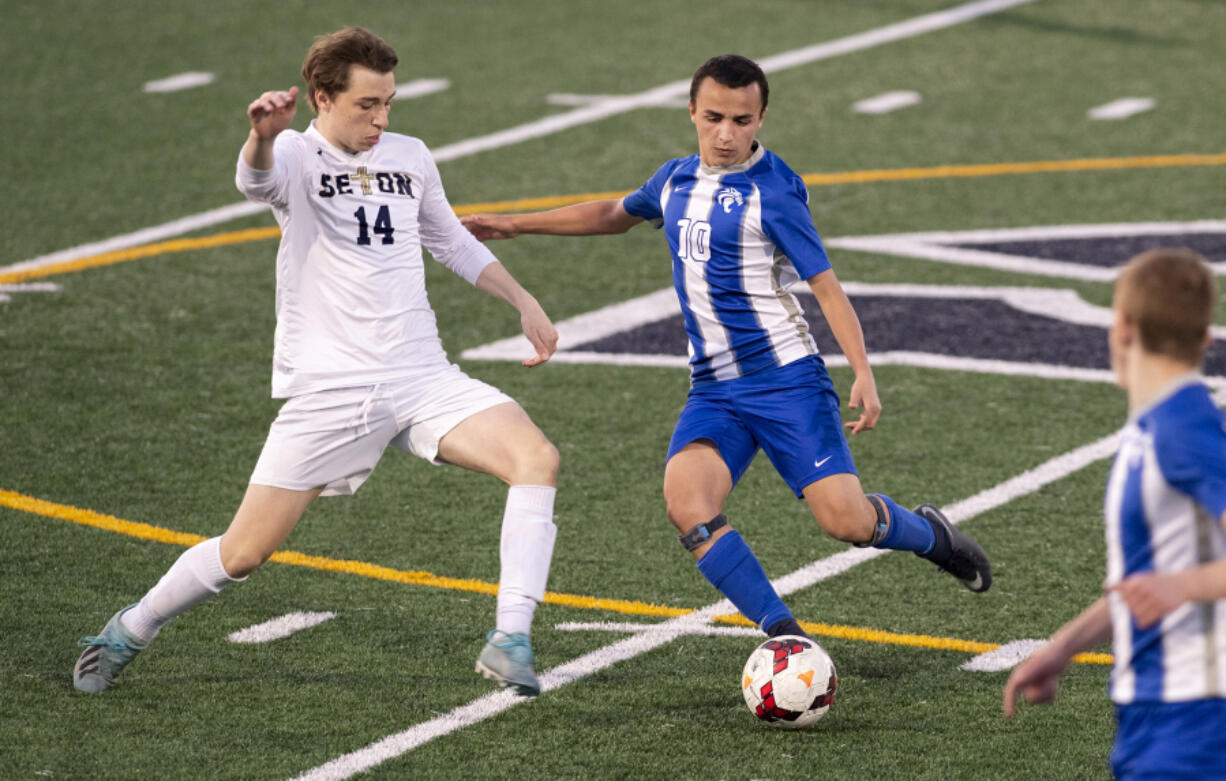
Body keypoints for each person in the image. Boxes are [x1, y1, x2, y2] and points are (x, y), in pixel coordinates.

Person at [73, 27, 560, 698]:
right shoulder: (297, 155)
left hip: (423, 376)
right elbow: (256, 180)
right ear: (320, 98)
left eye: (389, 102)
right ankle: (130, 626)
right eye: (367, 105)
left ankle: (510, 636)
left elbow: (449, 240)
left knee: (536, 459)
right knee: (244, 553)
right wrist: (263, 135)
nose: (382, 118)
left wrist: (523, 299)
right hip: (331, 391)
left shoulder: (411, 155)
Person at [462, 54, 991, 642]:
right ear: (691, 111)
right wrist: (516, 225)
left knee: (847, 522)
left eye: (742, 121)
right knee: (687, 505)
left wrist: (862, 371)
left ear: (761, 118)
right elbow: (615, 213)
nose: (726, 134)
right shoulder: (675, 179)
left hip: (788, 381)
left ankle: (933, 537)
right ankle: (784, 635)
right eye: (714, 117)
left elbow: (828, 288)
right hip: (714, 390)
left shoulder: (775, 195)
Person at [1003, 248, 1226, 778]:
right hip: (1152, 710)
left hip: (1194, 718)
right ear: (1204, 339)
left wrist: (1183, 587)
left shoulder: (1183, 432)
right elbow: (1143, 580)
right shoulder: (1151, 431)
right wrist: (1064, 648)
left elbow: (1170, 584)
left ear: (1122, 329)